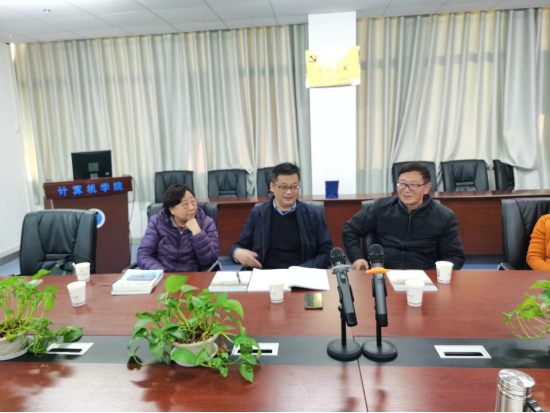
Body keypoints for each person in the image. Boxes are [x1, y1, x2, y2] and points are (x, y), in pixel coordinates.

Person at [343, 162, 465, 270]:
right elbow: (350, 229)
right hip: (383, 273)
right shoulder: (381, 207)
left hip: (424, 275)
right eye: (402, 184)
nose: (406, 190)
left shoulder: (444, 216)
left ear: (426, 188)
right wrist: (357, 258)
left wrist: (435, 274)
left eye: (413, 185)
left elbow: (454, 256)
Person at [231, 162, 332, 269]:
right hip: (265, 273)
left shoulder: (313, 215)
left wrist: (304, 269)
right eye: (283, 187)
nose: (289, 192)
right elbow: (239, 246)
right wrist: (236, 253)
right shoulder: (258, 214)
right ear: (272, 187)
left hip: (301, 274)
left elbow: (326, 252)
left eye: (294, 187)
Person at [138, 184, 220, 272]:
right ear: (172, 209)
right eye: (185, 204)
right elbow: (144, 255)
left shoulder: (206, 222)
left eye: (193, 202)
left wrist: (197, 232)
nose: (192, 208)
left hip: (194, 275)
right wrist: (161, 272)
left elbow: (210, 260)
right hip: (164, 275)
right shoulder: (157, 222)